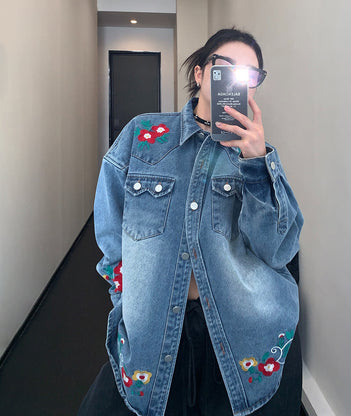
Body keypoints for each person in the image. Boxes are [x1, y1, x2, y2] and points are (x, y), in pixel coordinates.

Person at [78, 28, 303, 416]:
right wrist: (126, 294)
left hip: (240, 327)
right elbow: (110, 226)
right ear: (200, 74)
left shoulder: (254, 155)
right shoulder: (143, 135)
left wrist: (257, 163)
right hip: (154, 323)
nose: (236, 80)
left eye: (249, 75)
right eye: (225, 67)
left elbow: (279, 249)